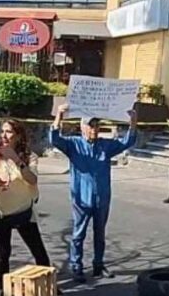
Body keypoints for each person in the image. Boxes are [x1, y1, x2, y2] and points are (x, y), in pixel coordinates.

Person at [50, 104, 138, 284]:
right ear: (82, 127)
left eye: (97, 126)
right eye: (91, 126)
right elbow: (54, 139)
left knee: (100, 232)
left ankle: (99, 264)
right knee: (78, 233)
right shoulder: (73, 144)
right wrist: (59, 115)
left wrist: (133, 121)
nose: (94, 129)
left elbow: (127, 141)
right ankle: (77, 266)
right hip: (81, 198)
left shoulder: (105, 145)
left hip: (102, 197)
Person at [0, 119, 51, 296]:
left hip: (22, 210)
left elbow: (32, 179)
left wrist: (15, 159)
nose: (4, 136)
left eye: (9, 132)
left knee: (38, 251)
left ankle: (49, 287)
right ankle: (4, 292)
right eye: (2, 132)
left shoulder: (30, 157)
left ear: (18, 136)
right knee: (3, 253)